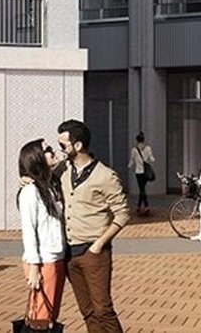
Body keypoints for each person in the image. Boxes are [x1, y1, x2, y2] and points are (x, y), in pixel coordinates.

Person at [56, 116, 130, 333]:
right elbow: (40, 179)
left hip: (94, 253)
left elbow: (123, 214)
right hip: (70, 253)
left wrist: (99, 244)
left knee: (103, 310)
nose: (60, 150)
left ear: (78, 145)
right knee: (87, 311)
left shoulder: (105, 176)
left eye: (63, 145)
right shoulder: (63, 171)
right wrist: (26, 180)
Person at [18, 137, 69, 327]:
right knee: (40, 317)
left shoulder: (51, 185)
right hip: (43, 261)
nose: (53, 151)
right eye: (47, 150)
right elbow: (28, 230)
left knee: (50, 317)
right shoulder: (30, 191)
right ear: (36, 157)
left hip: (56, 257)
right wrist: (34, 267)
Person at [129, 130, 156, 215]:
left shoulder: (134, 150)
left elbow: (132, 161)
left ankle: (144, 206)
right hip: (146, 173)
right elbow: (152, 159)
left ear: (137, 140)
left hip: (138, 172)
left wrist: (129, 166)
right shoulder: (148, 148)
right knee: (142, 189)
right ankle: (140, 206)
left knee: (142, 189)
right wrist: (149, 159)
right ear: (144, 140)